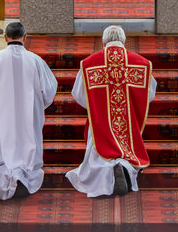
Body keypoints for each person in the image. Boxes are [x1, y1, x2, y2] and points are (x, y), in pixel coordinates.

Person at [66, 25, 157, 197]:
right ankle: (123, 166)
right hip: (127, 121)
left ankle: (109, 170)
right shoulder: (141, 63)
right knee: (128, 150)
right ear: (124, 41)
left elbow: (78, 94)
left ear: (103, 41)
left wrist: (96, 105)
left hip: (101, 120)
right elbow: (149, 93)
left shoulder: (89, 63)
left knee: (98, 153)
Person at [0, 22, 57, 200]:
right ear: (25, 37)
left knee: (4, 148)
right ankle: (24, 177)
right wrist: (37, 106)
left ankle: (7, 175)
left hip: (2, 115)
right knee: (28, 145)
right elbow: (49, 90)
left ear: (5, 37)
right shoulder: (36, 60)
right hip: (28, 116)